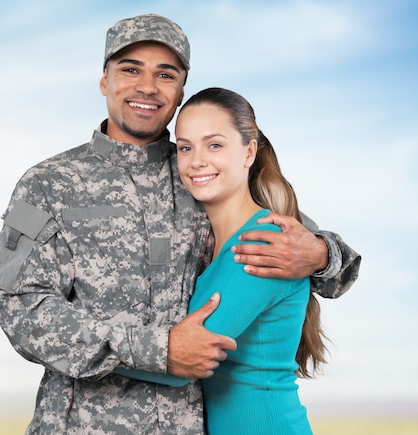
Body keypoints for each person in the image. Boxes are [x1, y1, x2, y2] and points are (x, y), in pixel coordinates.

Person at [0, 14, 361, 435]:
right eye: (130, 69)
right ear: (103, 81)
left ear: (180, 90)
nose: (147, 86)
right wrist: (158, 349)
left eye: (165, 74)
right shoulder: (46, 184)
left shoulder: (204, 172)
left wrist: (321, 253)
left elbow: (318, 261)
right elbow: (20, 310)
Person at [117, 87, 327, 434]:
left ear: (248, 152)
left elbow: (183, 361)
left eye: (214, 145)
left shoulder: (262, 244)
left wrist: (73, 348)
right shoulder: (216, 241)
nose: (197, 160)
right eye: (185, 147)